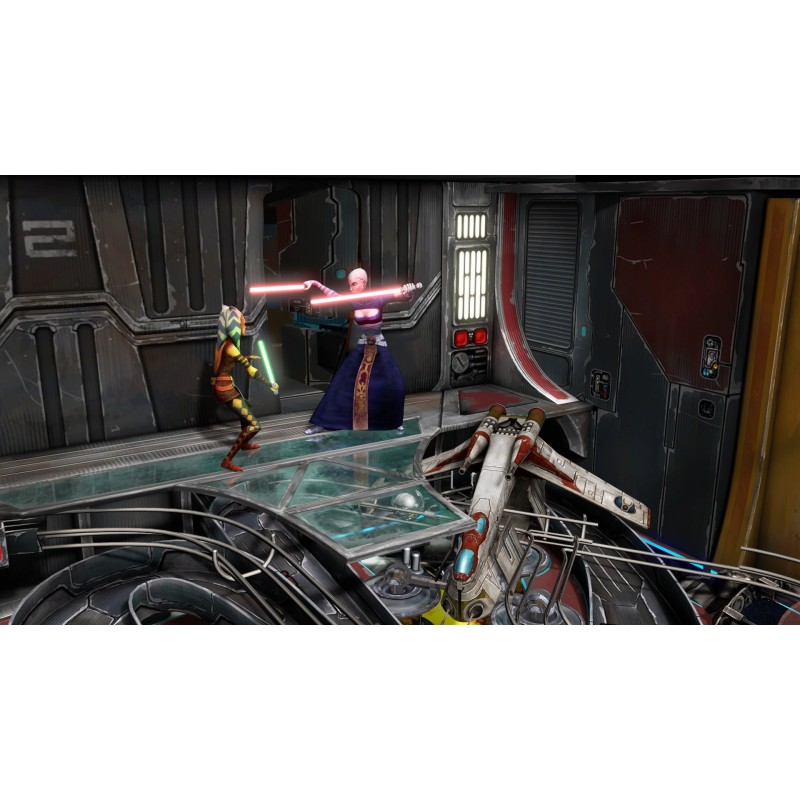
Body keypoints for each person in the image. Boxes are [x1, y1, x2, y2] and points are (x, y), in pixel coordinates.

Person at [302, 268, 418, 434]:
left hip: (379, 345)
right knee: (341, 383)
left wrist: (407, 291)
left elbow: (401, 295)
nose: (351, 289)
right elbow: (332, 295)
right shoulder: (353, 301)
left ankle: (393, 422)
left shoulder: (379, 298)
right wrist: (314, 283)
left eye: (354, 284)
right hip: (363, 346)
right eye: (350, 285)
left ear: (364, 283)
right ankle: (323, 422)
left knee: (395, 385)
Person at [211, 305, 279, 472]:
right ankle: (227, 460)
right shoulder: (231, 347)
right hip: (226, 390)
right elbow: (251, 371)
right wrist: (270, 384)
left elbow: (229, 360)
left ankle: (244, 443)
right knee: (255, 425)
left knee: (247, 406)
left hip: (225, 386)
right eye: (242, 322)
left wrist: (246, 357)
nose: (244, 325)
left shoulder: (225, 344)